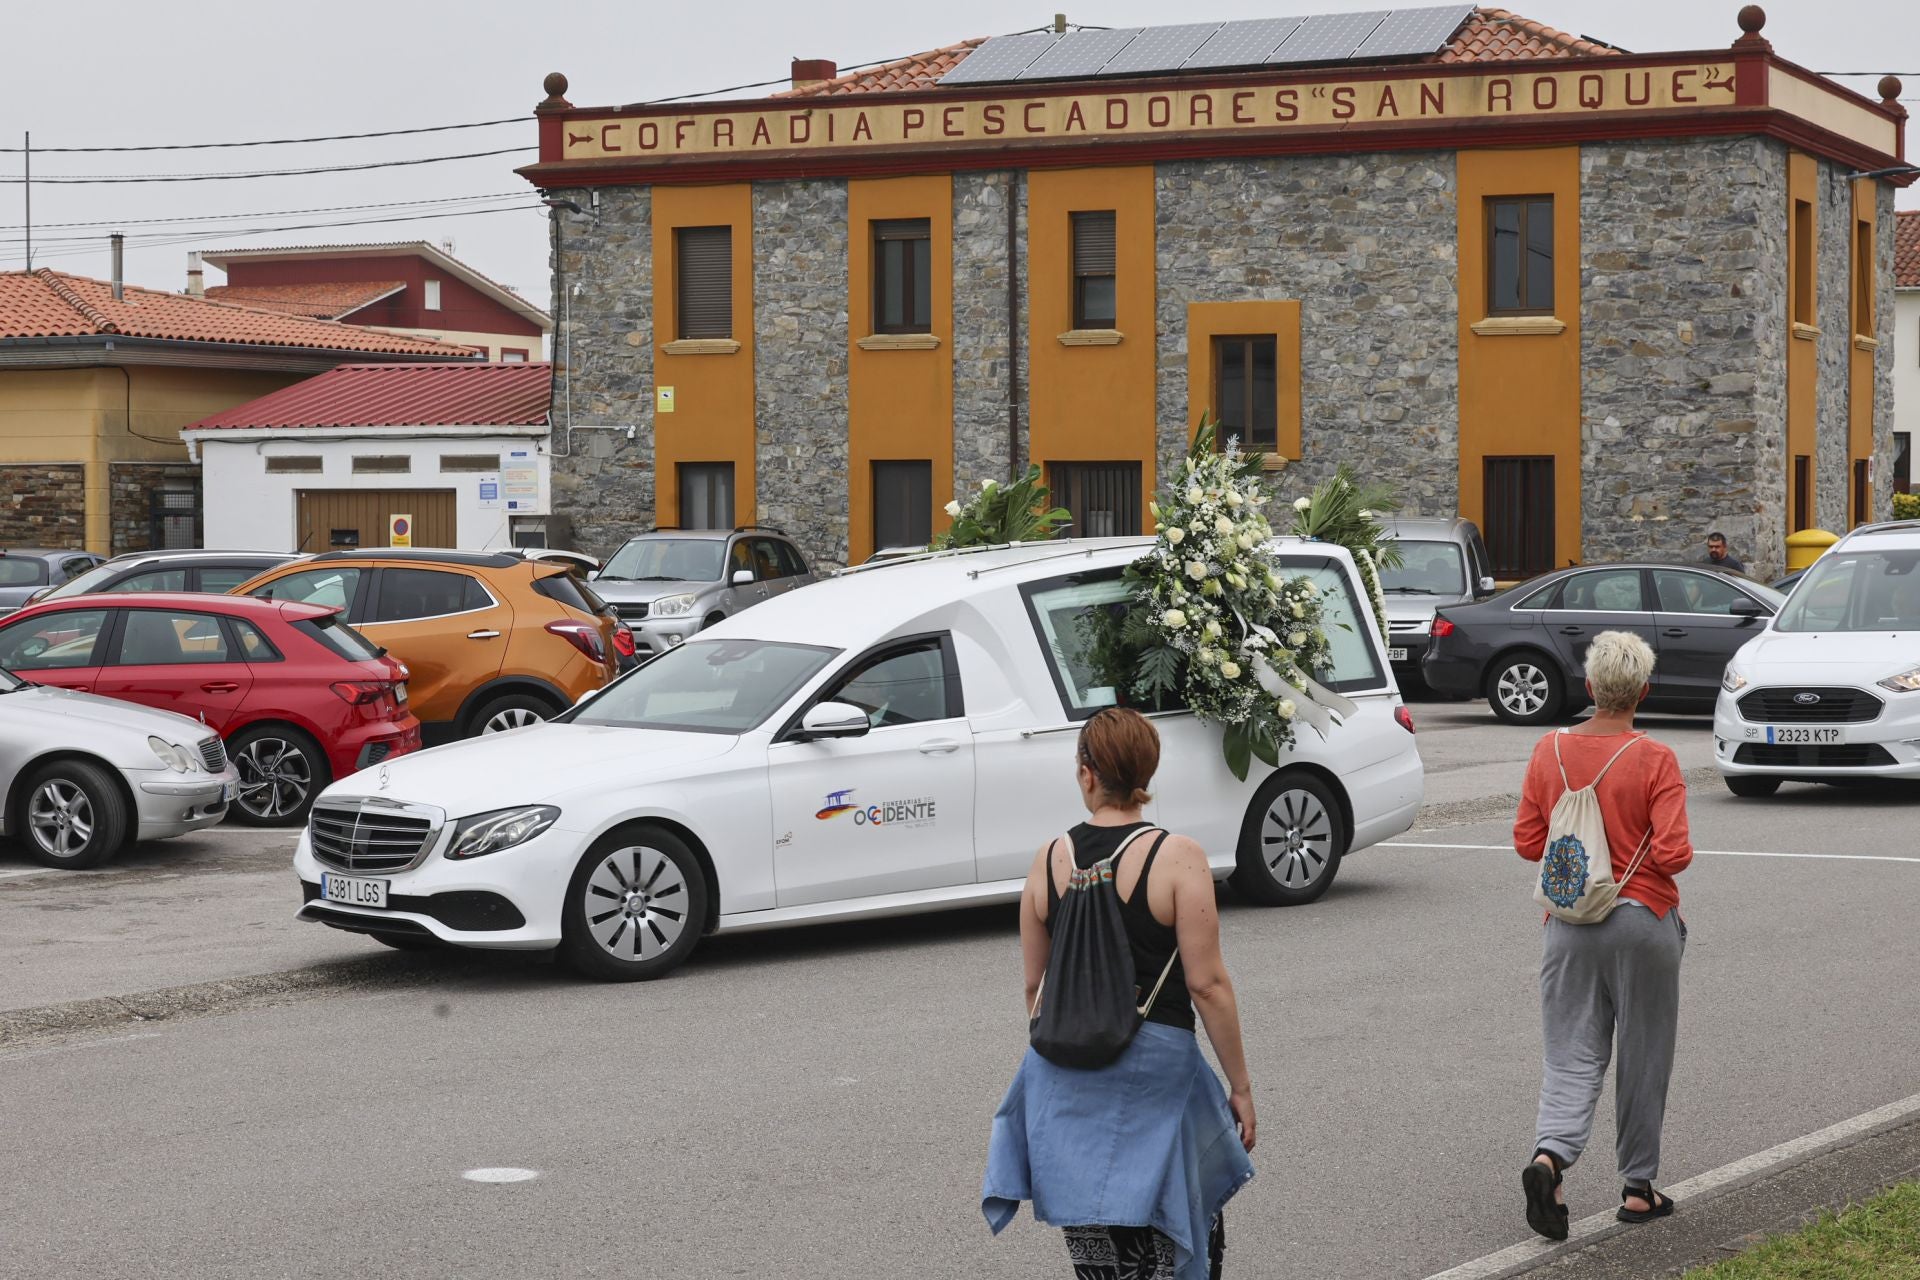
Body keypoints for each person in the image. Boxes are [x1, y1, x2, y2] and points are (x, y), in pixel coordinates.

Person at [983, 707, 1255, 1280]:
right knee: (1175, 1236)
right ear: (1146, 773)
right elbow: (1206, 985)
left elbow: (1035, 986)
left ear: (1086, 774)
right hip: (1155, 1073)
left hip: (1065, 1080)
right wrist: (1241, 1087)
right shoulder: (1178, 856)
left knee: (1099, 1253)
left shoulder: (1048, 859)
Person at [1514, 631, 1694, 1240]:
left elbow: (1527, 843)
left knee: (1570, 1054)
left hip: (1567, 926)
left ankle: (1550, 1161)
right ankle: (1638, 1189)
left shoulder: (1547, 750)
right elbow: (1672, 855)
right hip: (1642, 921)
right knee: (1643, 1056)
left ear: (1589, 687)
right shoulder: (1655, 759)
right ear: (1642, 692)